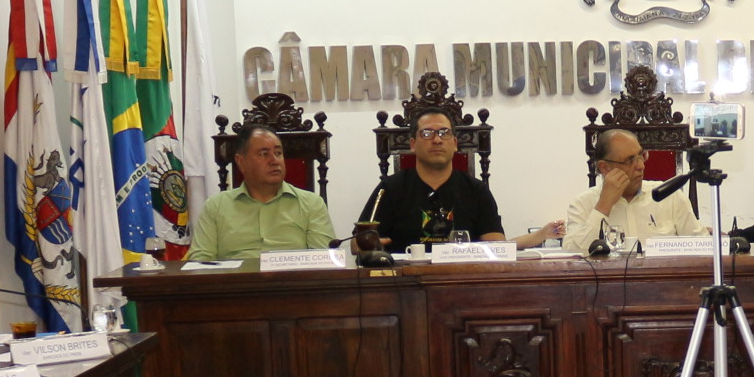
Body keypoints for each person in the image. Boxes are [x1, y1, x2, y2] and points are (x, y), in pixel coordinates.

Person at [357, 111, 560, 250]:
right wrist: (368, 244)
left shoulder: (476, 190)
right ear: (412, 144)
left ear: (454, 143)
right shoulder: (389, 189)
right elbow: (356, 245)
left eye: (444, 133)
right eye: (427, 133)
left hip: (463, 283)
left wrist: (539, 235)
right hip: (405, 284)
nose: (437, 139)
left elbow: (497, 247)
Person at [189, 126, 336, 265]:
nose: (274, 161)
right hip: (235, 282)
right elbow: (200, 263)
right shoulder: (215, 207)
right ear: (241, 162)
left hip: (292, 282)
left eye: (278, 153)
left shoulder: (312, 204)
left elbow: (324, 262)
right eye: (264, 154)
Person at [563, 130, 701, 252]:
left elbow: (702, 249)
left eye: (641, 156)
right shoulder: (582, 204)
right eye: (630, 161)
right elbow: (572, 256)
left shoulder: (669, 196)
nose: (641, 166)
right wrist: (604, 205)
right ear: (604, 167)